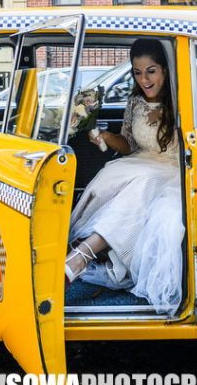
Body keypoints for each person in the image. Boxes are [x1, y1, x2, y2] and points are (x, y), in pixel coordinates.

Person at [64, 38, 184, 315]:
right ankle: (85, 246)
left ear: (165, 70)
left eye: (151, 70)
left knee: (143, 184)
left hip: (175, 169)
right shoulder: (134, 101)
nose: (144, 79)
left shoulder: (181, 98)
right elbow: (129, 144)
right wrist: (105, 136)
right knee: (110, 172)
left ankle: (84, 254)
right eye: (137, 72)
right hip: (143, 161)